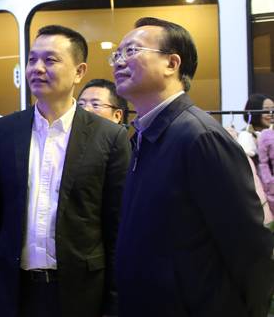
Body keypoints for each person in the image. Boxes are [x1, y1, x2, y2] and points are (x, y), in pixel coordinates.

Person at [112, 18, 274, 317]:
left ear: (172, 63)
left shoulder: (199, 136)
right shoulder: (144, 135)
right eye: (117, 54)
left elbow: (249, 245)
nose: (119, 62)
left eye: (131, 51)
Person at [0, 25, 130, 317]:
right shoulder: (4, 131)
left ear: (79, 71)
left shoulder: (109, 137)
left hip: (81, 292)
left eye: (50, 60)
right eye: (32, 59)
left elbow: (117, 227)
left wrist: (114, 302)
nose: (37, 68)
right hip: (14, 288)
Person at [238, 93, 274, 159]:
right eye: (266, 110)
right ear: (254, 112)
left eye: (272, 110)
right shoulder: (245, 136)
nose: (271, 114)